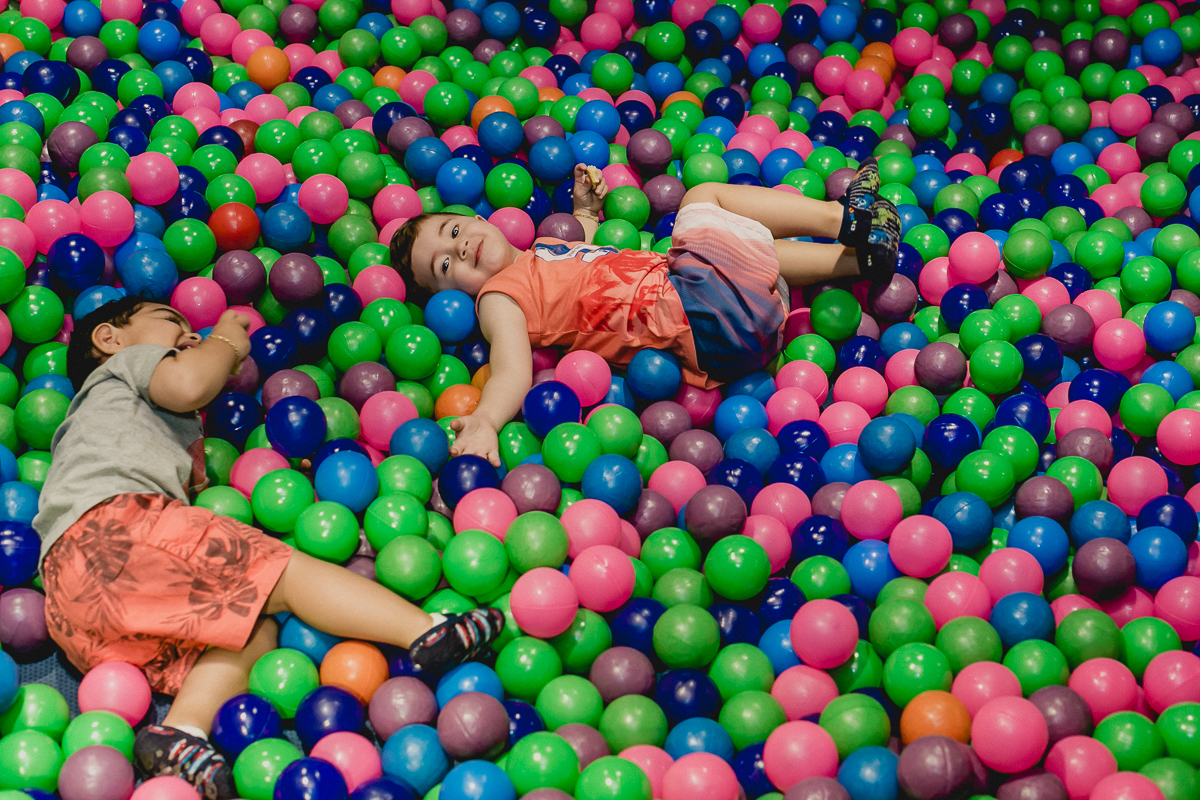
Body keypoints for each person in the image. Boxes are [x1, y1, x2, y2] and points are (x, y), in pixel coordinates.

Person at [35, 298, 506, 799]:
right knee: (278, 574)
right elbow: (190, 382)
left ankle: (181, 731)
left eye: (193, 332)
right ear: (110, 339)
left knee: (249, 623)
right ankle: (426, 632)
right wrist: (224, 342)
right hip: (114, 533)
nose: (190, 337)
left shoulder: (118, 424)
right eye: (174, 324)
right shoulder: (122, 369)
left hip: (73, 607)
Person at [389, 160, 899, 466]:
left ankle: (861, 258)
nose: (461, 252)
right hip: (698, 313)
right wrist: (485, 421)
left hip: (738, 325)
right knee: (702, 198)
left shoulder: (543, 249)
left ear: (477, 219)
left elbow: (583, 256)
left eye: (453, 234)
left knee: (741, 255)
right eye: (446, 267)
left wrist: (587, 214)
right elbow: (511, 369)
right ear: (449, 297)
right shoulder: (498, 298)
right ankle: (841, 216)